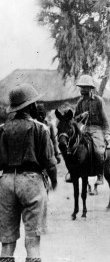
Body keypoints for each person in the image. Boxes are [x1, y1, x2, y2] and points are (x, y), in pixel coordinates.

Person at [0, 83, 57, 262]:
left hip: (7, 180)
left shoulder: (2, 129)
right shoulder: (41, 128)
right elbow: (50, 162)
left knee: (7, 241)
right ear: (31, 106)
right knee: (32, 240)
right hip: (31, 182)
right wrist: (54, 182)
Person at [74, 74, 110, 185]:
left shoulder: (98, 101)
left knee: (98, 150)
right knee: (74, 148)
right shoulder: (79, 103)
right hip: (84, 129)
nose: (82, 90)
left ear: (90, 88)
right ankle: (74, 172)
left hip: (97, 129)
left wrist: (107, 134)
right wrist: (81, 116)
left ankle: (100, 175)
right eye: (81, 87)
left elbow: (105, 120)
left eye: (84, 87)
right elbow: (74, 120)